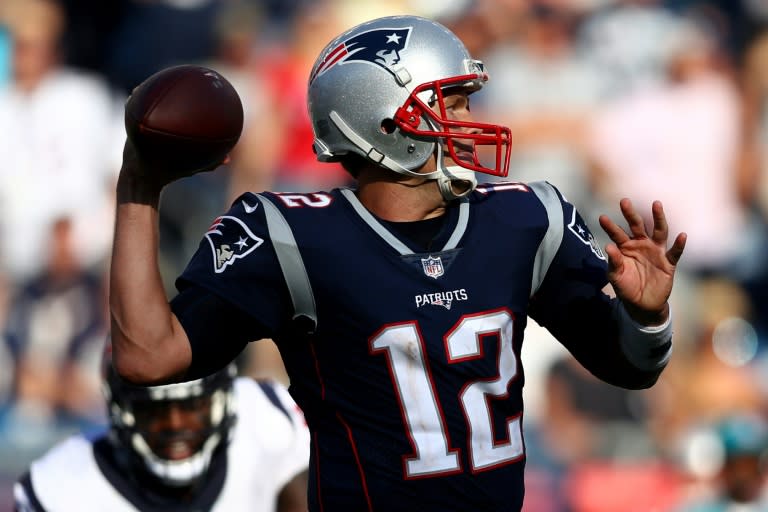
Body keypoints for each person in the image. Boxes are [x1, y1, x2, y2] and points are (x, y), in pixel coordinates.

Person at [109, 15, 687, 511]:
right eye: (451, 106)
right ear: (384, 121)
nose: (468, 124)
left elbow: (631, 368)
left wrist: (647, 316)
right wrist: (139, 188)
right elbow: (146, 357)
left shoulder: (525, 218)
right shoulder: (292, 234)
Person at [13, 358, 310, 511]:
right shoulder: (63, 486)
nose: (175, 424)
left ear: (222, 398)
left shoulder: (267, 419)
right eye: (152, 410)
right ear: (120, 410)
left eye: (192, 404)